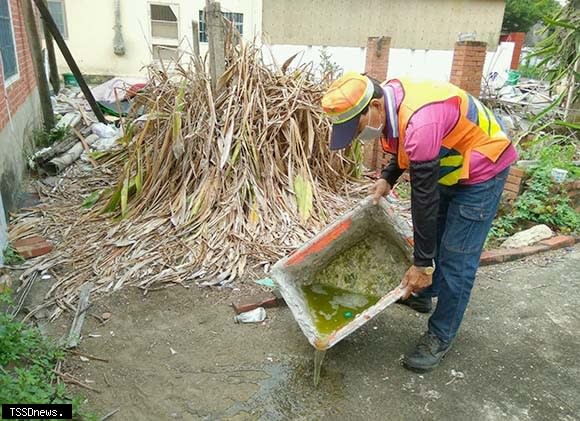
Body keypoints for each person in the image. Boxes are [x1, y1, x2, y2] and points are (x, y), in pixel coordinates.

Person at [321, 72, 518, 371]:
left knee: (456, 258)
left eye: (356, 126)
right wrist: (388, 177)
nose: (357, 135)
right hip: (452, 160)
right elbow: (404, 148)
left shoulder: (420, 121)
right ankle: (426, 293)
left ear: (373, 106)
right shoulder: (393, 101)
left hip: (483, 167)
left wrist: (422, 265)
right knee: (434, 235)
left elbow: (423, 200)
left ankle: (440, 334)